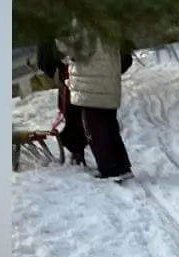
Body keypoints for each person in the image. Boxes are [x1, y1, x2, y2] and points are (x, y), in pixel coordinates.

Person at [53, 22, 134, 180]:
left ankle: (110, 169)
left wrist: (59, 38)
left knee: (96, 129)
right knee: (109, 126)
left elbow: (75, 48)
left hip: (91, 83)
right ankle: (122, 166)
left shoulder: (83, 21)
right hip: (106, 81)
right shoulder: (106, 18)